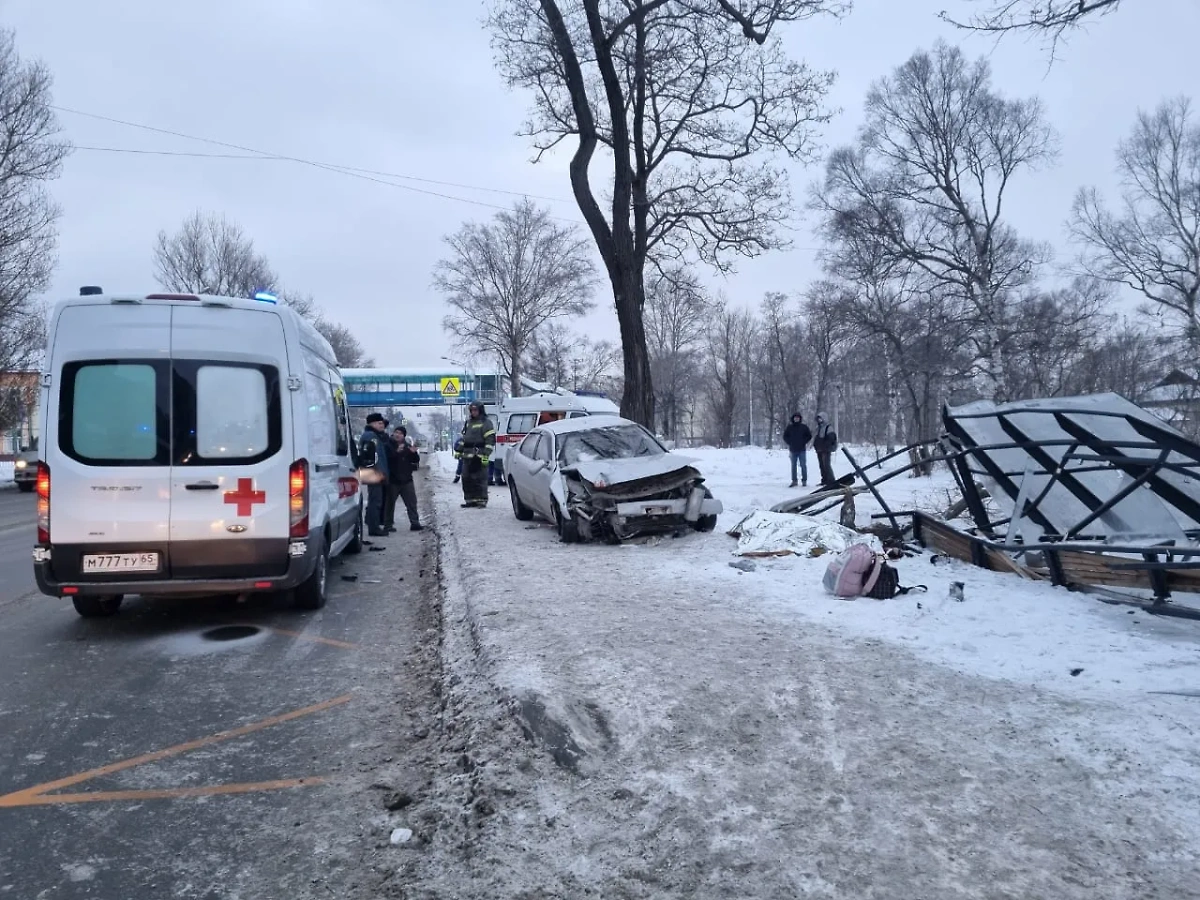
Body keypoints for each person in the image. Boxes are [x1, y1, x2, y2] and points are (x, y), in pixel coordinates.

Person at [455, 401, 495, 508]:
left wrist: (486, 454)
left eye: (475, 410)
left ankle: (481, 500)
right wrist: (459, 450)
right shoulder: (468, 423)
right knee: (466, 478)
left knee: (480, 478)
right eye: (471, 410)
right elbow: (464, 439)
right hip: (467, 456)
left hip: (479, 455)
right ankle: (470, 500)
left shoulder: (486, 422)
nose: (473, 412)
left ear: (480, 410)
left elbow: (490, 440)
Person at [388, 425, 425, 531]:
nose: (397, 435)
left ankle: (415, 523)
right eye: (396, 432)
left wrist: (413, 453)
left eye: (400, 433)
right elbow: (389, 458)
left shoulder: (407, 445)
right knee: (390, 504)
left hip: (407, 480)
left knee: (412, 503)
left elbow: (415, 460)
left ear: (404, 435)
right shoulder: (389, 445)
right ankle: (388, 525)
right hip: (393, 479)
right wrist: (397, 452)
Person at [359, 413, 390, 536]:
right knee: (375, 501)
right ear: (372, 424)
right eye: (379, 423)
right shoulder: (370, 436)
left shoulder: (374, 435)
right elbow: (371, 457)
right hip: (373, 472)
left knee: (375, 500)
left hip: (374, 471)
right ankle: (373, 528)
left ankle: (372, 523)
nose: (382, 425)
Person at [782, 412, 812, 488]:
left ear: (800, 419)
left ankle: (804, 480)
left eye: (798, 418)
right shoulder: (790, 427)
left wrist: (804, 441)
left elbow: (809, 436)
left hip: (802, 449)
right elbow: (785, 436)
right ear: (793, 419)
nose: (796, 419)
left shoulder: (804, 427)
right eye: (795, 418)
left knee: (803, 465)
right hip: (793, 449)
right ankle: (794, 481)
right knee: (793, 466)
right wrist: (789, 442)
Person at [813, 411, 838, 487]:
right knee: (821, 465)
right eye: (818, 419)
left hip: (826, 450)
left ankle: (830, 480)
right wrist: (816, 445)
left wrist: (825, 446)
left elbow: (831, 438)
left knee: (826, 465)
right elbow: (816, 438)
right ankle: (824, 480)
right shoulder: (819, 428)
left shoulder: (828, 427)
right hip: (819, 450)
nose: (819, 420)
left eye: (820, 418)